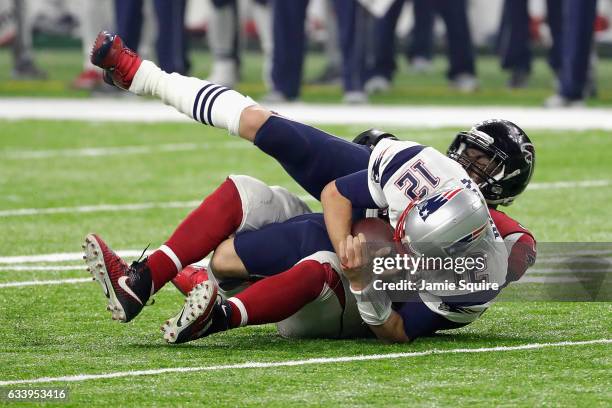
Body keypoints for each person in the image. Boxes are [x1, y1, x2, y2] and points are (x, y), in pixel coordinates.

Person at [85, 30, 535, 342]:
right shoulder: (421, 168)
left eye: (481, 166)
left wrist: (364, 279)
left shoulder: (482, 268)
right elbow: (339, 193)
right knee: (265, 141)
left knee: (316, 263)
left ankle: (215, 309)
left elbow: (513, 250)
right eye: (467, 155)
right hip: (355, 231)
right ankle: (141, 75)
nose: (465, 167)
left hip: (363, 292)